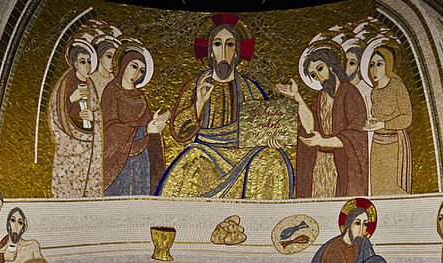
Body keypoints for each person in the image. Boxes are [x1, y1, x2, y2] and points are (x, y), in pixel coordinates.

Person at [156, 14, 293, 199]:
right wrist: (199, 103)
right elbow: (179, 132)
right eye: (217, 44)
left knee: (273, 160)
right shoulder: (197, 85)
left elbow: (265, 128)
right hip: (207, 151)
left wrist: (271, 141)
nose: (223, 52)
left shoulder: (250, 89)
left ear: (236, 52)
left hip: (244, 155)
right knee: (192, 161)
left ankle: (262, 224)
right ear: (210, 51)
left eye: (229, 44)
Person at [278, 43, 368, 198]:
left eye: (320, 69)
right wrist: (297, 97)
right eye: (313, 75)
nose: (319, 77)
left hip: (342, 164)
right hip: (320, 165)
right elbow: (309, 126)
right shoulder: (322, 96)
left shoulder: (349, 93)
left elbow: (356, 133)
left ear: (331, 65)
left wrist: (323, 141)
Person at [101, 46, 167, 195]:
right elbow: (110, 128)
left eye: (141, 70)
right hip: (118, 161)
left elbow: (150, 133)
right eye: (134, 66)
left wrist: (154, 125)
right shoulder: (112, 91)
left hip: (141, 159)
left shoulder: (141, 97)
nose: (136, 73)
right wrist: (145, 129)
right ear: (124, 64)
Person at [49, 41, 102, 197]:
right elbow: (55, 111)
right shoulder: (65, 84)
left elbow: (97, 111)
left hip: (88, 141)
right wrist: (71, 99)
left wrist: (94, 118)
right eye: (82, 61)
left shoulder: (91, 85)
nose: (87, 66)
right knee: (69, 183)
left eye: (89, 62)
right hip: (70, 142)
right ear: (75, 64)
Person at [364, 44, 413, 195]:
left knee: (395, 187)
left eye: (379, 64)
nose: (375, 69)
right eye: (372, 65)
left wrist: (384, 124)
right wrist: (372, 122)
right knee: (378, 187)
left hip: (395, 144)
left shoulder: (397, 86)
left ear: (388, 65)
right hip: (378, 144)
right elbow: (378, 116)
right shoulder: (375, 91)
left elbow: (407, 118)